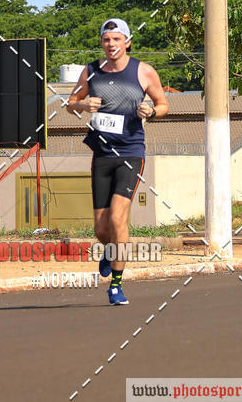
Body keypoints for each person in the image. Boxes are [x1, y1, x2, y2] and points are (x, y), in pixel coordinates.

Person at [66, 18, 168, 305]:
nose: (111, 44)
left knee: (117, 217)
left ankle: (116, 285)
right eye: (106, 40)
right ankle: (111, 253)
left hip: (131, 153)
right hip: (101, 154)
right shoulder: (92, 70)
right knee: (101, 228)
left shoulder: (143, 71)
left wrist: (151, 111)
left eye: (116, 39)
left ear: (127, 42)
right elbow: (70, 103)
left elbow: (164, 104)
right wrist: (81, 105)